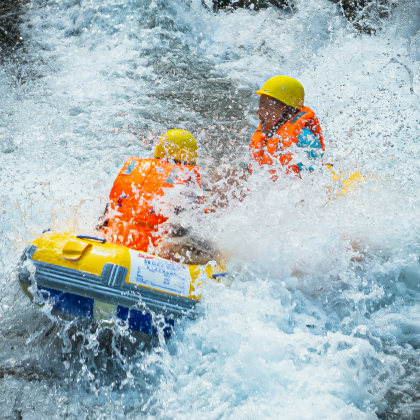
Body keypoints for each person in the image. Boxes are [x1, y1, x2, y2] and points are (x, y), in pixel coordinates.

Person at [100, 129, 202, 255]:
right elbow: (183, 232)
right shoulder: (185, 178)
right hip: (152, 251)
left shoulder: (134, 169)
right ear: (190, 157)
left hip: (114, 242)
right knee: (210, 250)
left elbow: (104, 219)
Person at [249, 75, 325, 176]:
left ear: (284, 108)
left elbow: (317, 181)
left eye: (264, 106)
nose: (258, 113)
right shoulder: (264, 139)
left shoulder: (304, 139)